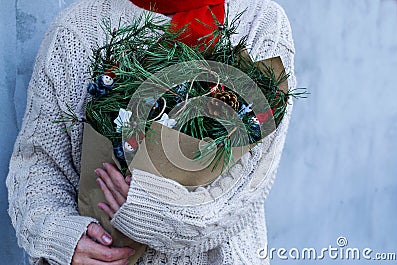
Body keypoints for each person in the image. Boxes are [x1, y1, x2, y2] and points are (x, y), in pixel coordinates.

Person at [6, 0, 296, 264]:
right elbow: (39, 163)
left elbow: (249, 182)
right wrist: (65, 238)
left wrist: (153, 211)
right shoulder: (77, 29)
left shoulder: (261, 22)